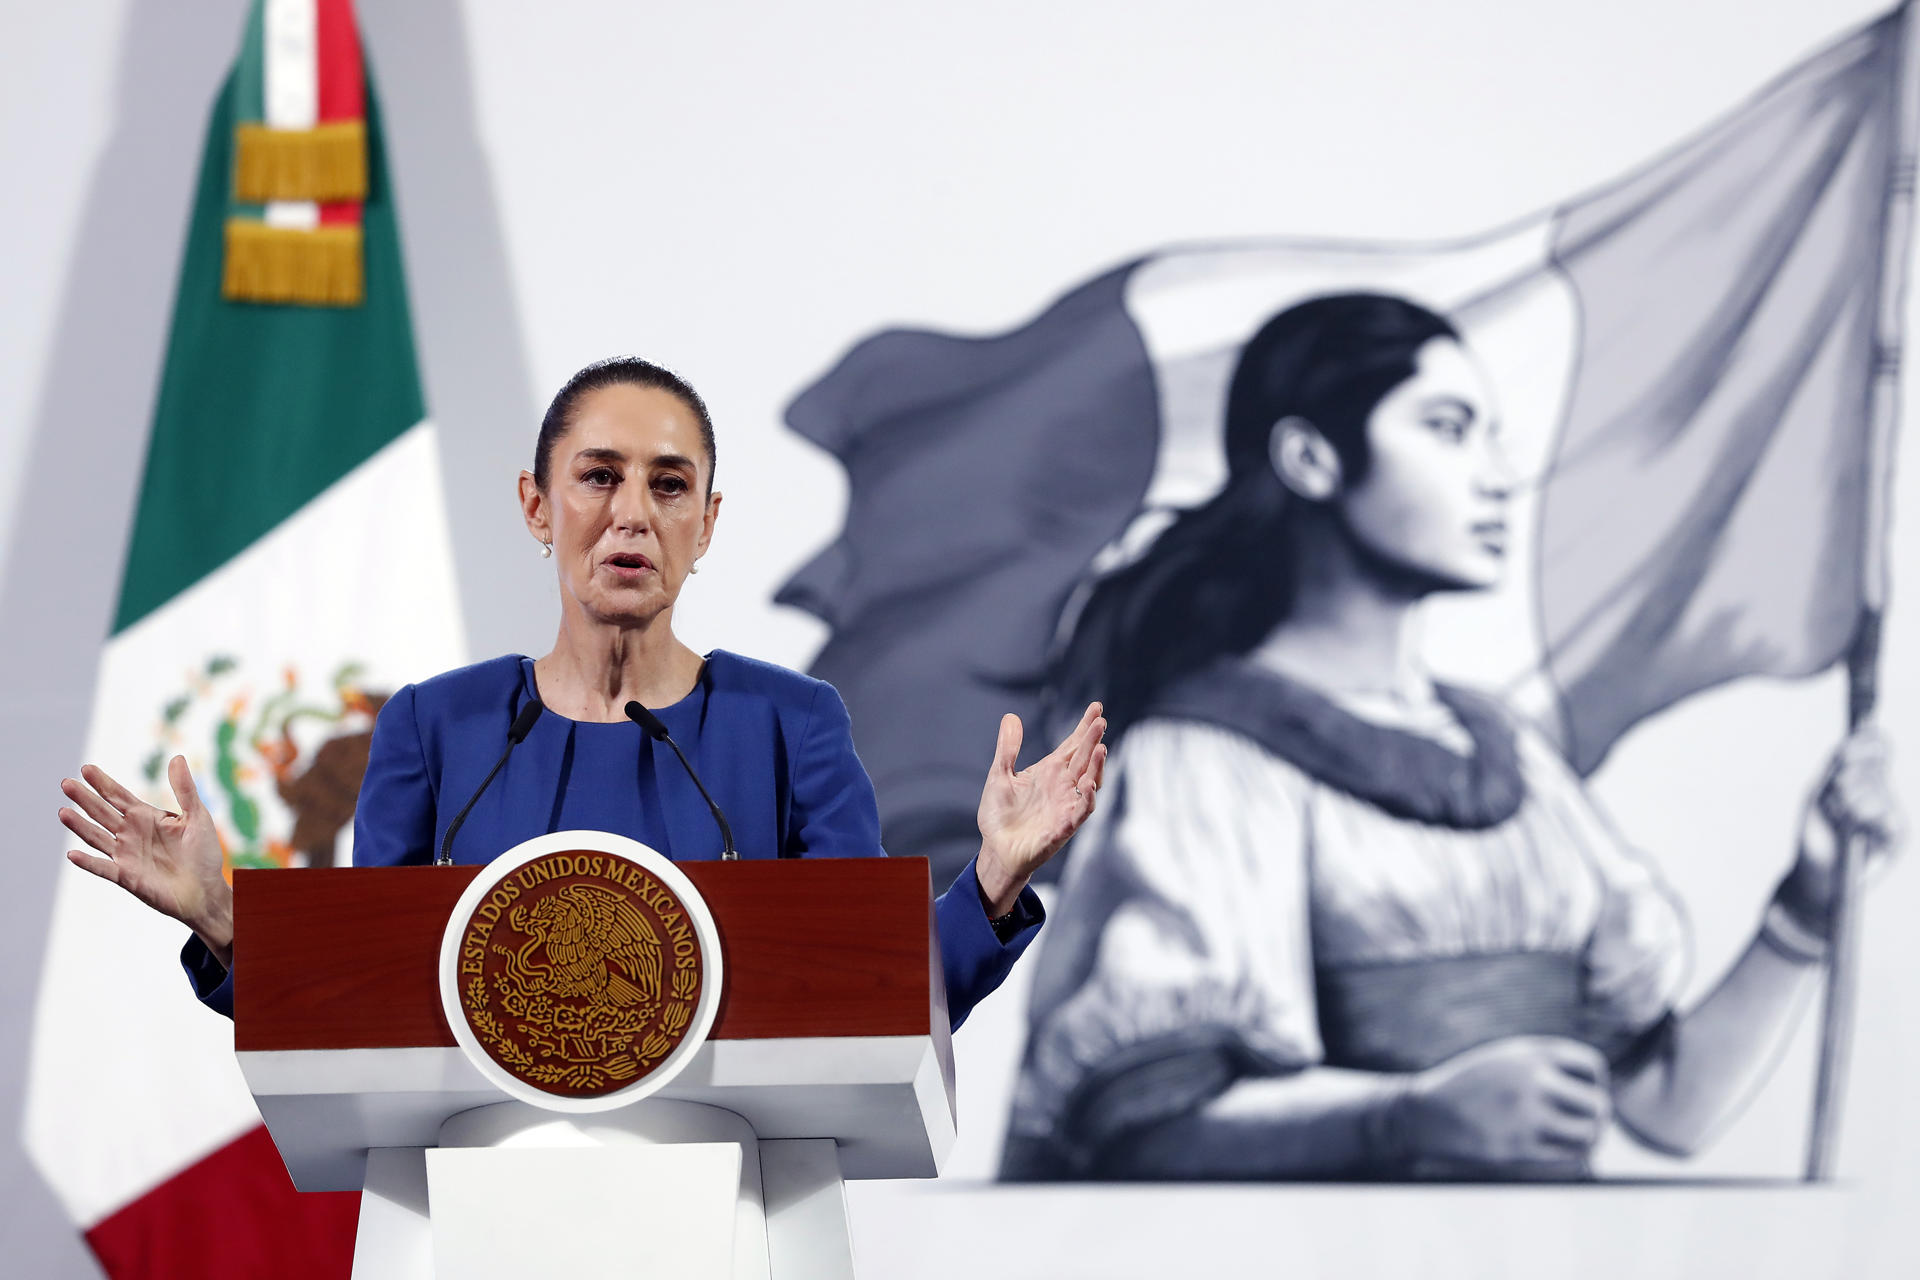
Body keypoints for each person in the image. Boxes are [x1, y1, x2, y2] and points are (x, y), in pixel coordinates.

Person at [999, 293, 1902, 1180]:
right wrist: (1408, 1117)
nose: (1498, 474)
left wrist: (1809, 904)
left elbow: (1669, 1108)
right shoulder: (1204, 758)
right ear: (1311, 457)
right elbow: (1144, 1130)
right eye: (1447, 427)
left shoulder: (1511, 758)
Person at [58, 357, 1108, 1033]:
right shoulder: (439, 727)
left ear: (706, 522)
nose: (632, 514)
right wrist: (228, 920)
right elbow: (362, 1000)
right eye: (598, 475)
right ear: (536, 504)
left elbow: (872, 997)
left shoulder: (791, 724)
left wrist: (993, 881)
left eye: (669, 483)